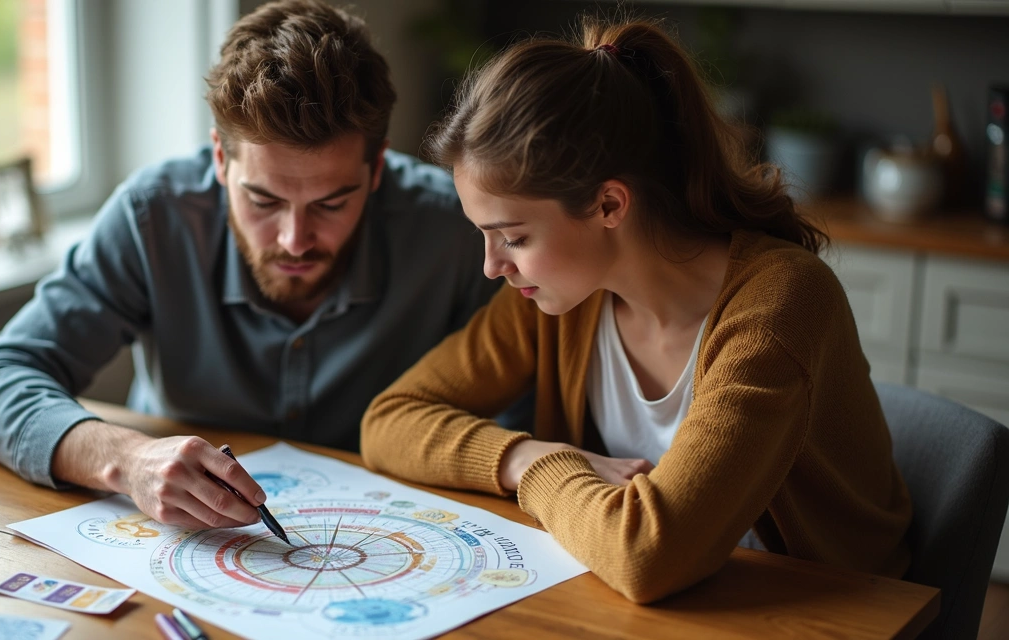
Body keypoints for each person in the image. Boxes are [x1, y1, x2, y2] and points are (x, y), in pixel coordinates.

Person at [361, 16, 912, 604]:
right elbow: (390, 420)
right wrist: (524, 454)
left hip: (825, 608)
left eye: (514, 238)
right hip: (670, 605)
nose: (492, 266)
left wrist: (546, 475)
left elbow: (647, 553)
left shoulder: (779, 306)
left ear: (608, 203)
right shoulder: (559, 294)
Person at [0, 0, 497, 533]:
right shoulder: (154, 217)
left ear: (377, 169)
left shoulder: (456, 233)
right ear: (221, 159)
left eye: (331, 204)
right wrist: (129, 459)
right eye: (263, 201)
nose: (294, 239)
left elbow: (521, 418)